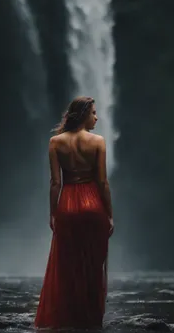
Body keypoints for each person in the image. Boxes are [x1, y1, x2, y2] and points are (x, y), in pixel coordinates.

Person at [34, 96, 114, 330]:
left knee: (66, 265)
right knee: (92, 265)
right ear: (82, 115)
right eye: (93, 113)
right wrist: (109, 214)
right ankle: (88, 320)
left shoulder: (55, 142)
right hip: (93, 205)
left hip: (67, 204)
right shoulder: (98, 142)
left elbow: (55, 183)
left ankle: (66, 318)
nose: (96, 118)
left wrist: (52, 213)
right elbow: (102, 181)